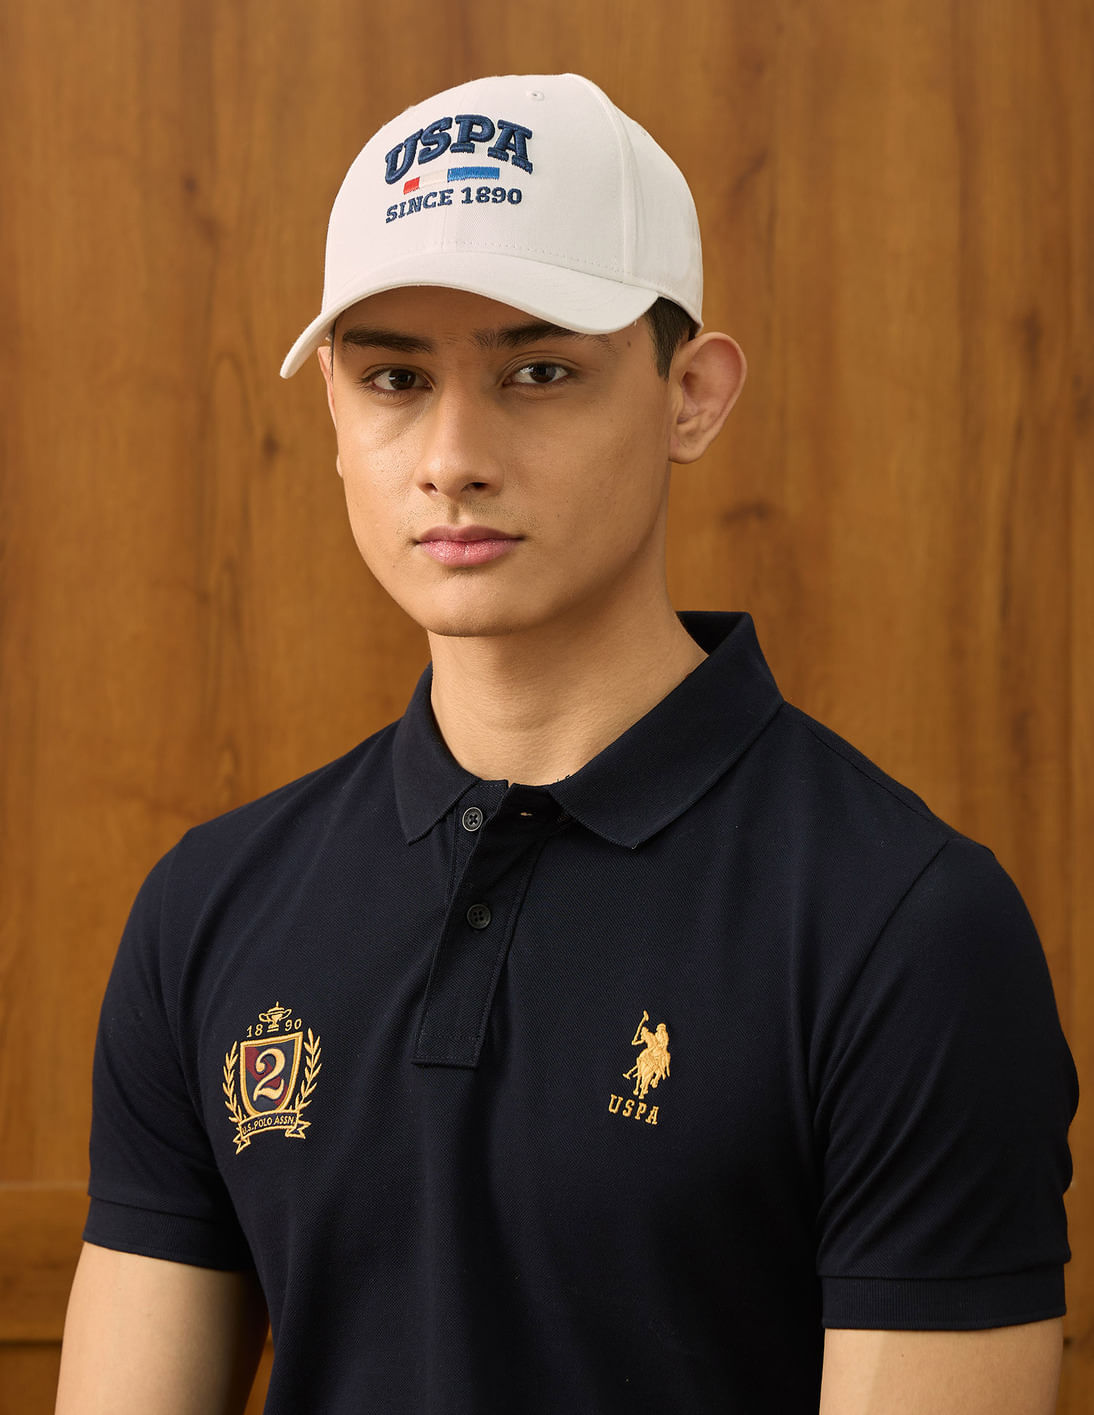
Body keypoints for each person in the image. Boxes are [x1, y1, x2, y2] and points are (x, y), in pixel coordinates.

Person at [56, 73, 1076, 1414]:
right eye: (394, 379)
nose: (452, 457)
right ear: (336, 420)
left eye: (538, 373)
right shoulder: (210, 906)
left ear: (690, 397)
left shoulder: (903, 927)